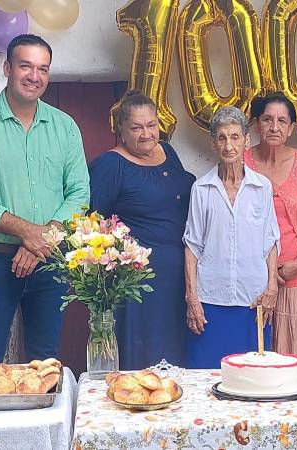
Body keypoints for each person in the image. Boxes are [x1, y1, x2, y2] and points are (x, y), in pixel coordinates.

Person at [0, 34, 89, 367]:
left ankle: (42, 420)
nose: (34, 76)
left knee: (46, 361)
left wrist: (41, 238)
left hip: (50, 259)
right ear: (7, 68)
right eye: (25, 66)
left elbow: (80, 193)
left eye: (43, 68)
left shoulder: (64, 126)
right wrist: (26, 231)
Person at [89, 91, 195, 369]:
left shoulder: (168, 152)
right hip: (139, 284)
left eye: (151, 125)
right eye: (136, 127)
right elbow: (95, 226)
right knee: (144, 357)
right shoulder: (110, 165)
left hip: (178, 276)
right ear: (121, 129)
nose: (146, 133)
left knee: (175, 356)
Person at [183, 106, 280, 369]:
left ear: (247, 140)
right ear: (213, 142)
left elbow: (271, 241)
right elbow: (192, 246)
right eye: (222, 138)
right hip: (210, 300)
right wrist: (192, 297)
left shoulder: (262, 187)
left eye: (235, 137)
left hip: (254, 300)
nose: (229, 145)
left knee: (252, 377)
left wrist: (272, 287)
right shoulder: (201, 188)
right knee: (206, 377)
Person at [245, 93, 297, 368]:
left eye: (282, 121)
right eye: (267, 119)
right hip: (254, 276)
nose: (274, 127)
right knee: (257, 355)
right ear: (256, 124)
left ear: (291, 128)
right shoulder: (241, 163)